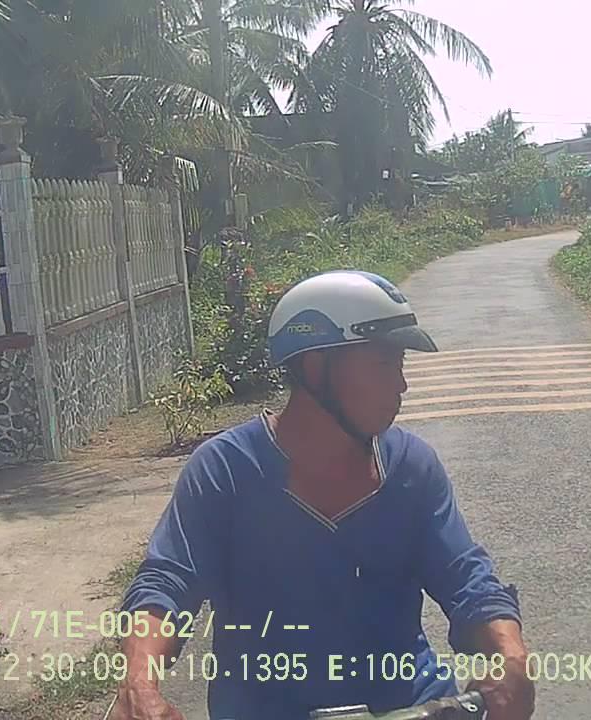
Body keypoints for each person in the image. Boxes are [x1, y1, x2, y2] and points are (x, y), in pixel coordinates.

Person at [111, 270, 534, 720]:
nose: (401, 386)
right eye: (383, 364)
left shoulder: (411, 468)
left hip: (412, 706)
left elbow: (466, 576)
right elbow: (166, 583)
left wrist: (510, 655)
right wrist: (139, 683)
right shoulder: (225, 470)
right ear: (315, 368)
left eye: (401, 365)